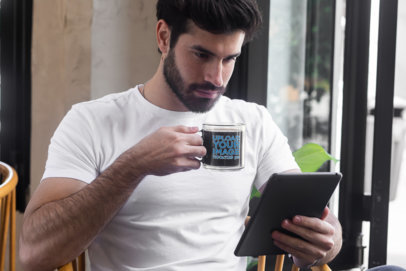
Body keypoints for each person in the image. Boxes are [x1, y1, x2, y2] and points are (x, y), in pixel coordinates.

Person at [19, 0, 342, 270]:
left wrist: (324, 239)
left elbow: (324, 233)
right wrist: (133, 166)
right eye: (201, 55)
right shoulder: (92, 121)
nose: (216, 77)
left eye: (229, 59)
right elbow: (35, 252)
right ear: (164, 37)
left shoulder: (252, 120)